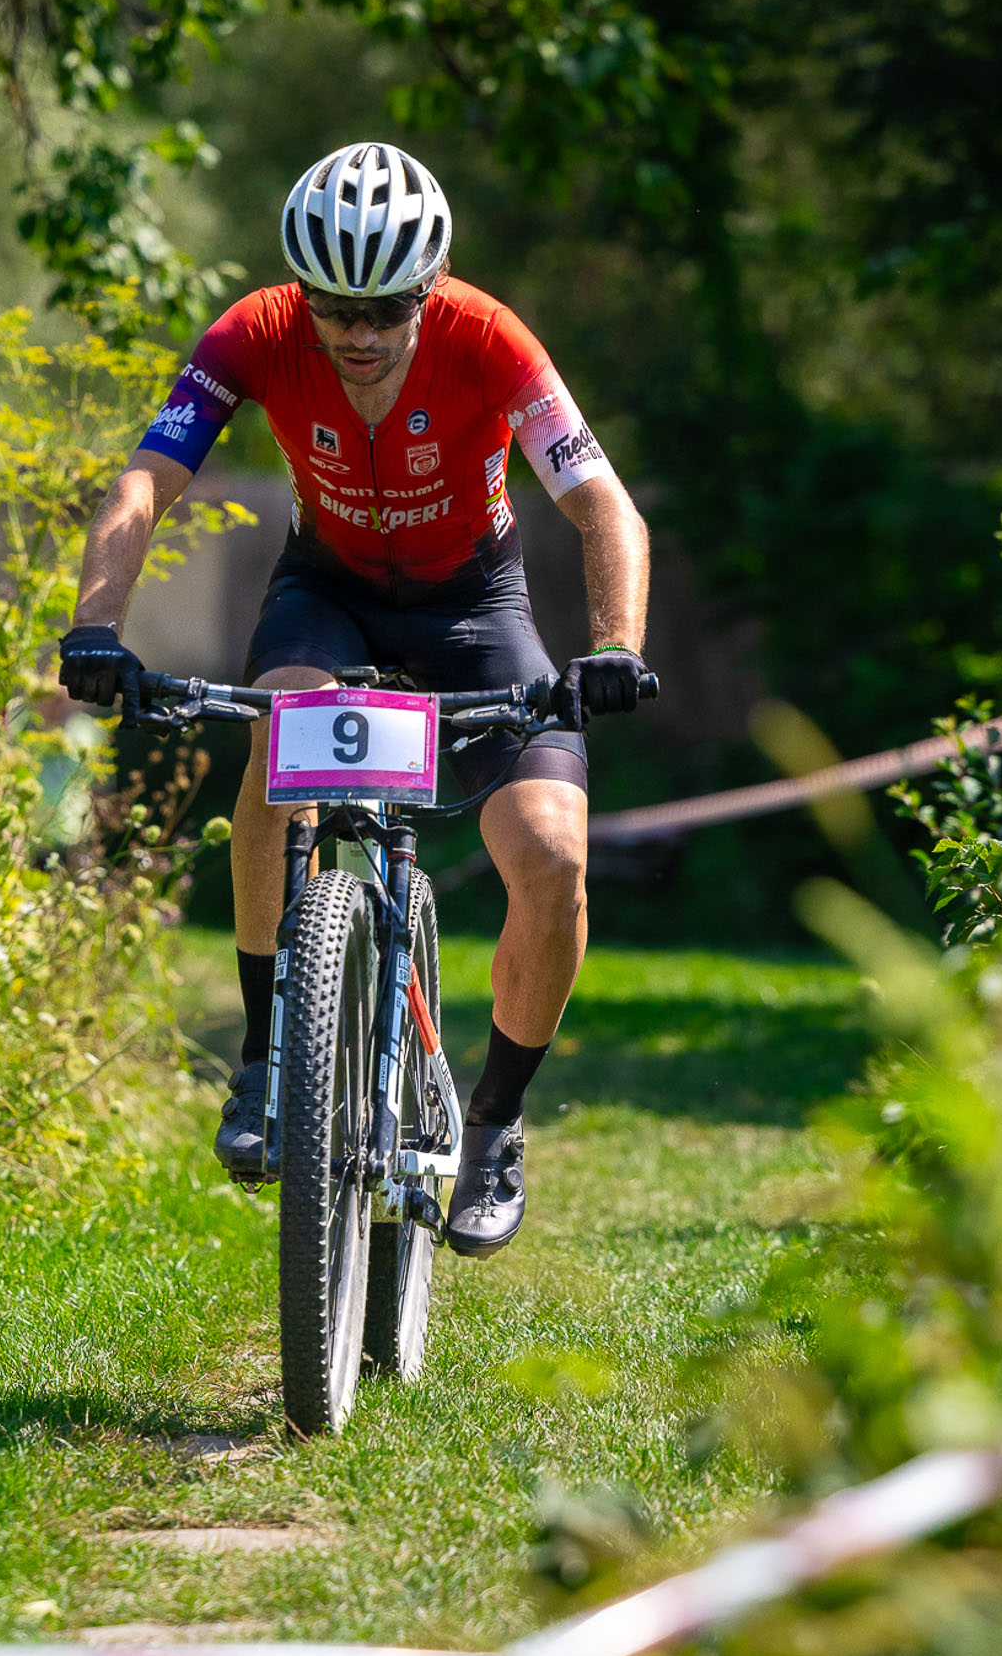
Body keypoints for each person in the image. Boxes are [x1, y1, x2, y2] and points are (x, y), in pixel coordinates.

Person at [54, 142, 652, 1259]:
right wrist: (95, 626)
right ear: (303, 293)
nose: (360, 333)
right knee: (278, 747)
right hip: (325, 594)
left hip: (473, 608)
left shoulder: (490, 338)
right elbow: (147, 479)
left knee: (551, 855)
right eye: (335, 307)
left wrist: (615, 645)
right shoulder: (252, 334)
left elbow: (603, 504)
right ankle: (262, 1056)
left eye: (385, 308)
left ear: (429, 288)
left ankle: (494, 1124)